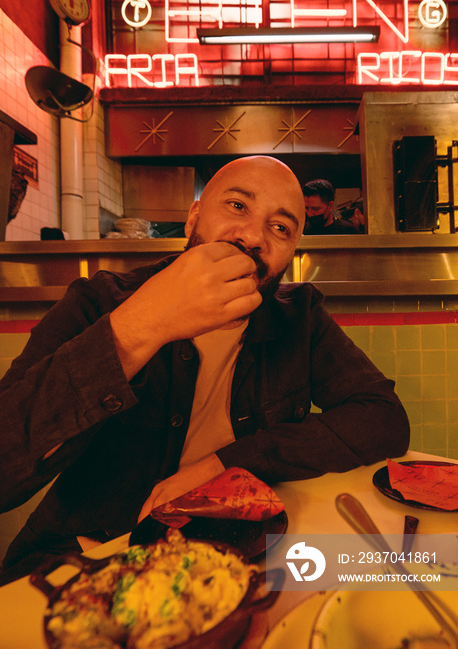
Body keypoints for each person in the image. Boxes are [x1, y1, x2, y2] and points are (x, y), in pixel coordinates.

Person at [0, 156, 409, 583]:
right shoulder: (99, 302)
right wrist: (140, 326)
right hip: (86, 562)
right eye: (237, 206)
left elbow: (384, 418)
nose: (252, 236)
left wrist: (225, 463)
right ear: (195, 214)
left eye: (281, 227)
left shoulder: (299, 318)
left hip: (238, 560)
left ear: (293, 250)